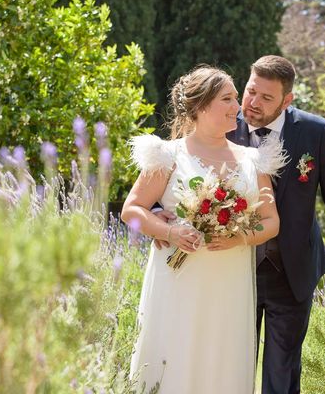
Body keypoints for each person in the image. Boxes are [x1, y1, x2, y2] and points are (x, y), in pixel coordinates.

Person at [121, 66, 284, 394]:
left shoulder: (254, 160)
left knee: (222, 359)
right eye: (227, 98)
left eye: (236, 97)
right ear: (200, 106)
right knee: (174, 356)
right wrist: (170, 233)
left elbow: (271, 221)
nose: (237, 106)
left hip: (229, 282)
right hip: (178, 282)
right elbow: (131, 211)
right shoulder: (167, 155)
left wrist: (239, 236)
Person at [228, 55, 325, 394]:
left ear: (287, 100)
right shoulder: (224, 125)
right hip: (233, 268)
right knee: (232, 367)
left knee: (282, 372)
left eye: (266, 97)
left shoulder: (316, 132)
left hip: (291, 271)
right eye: (250, 92)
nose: (253, 103)